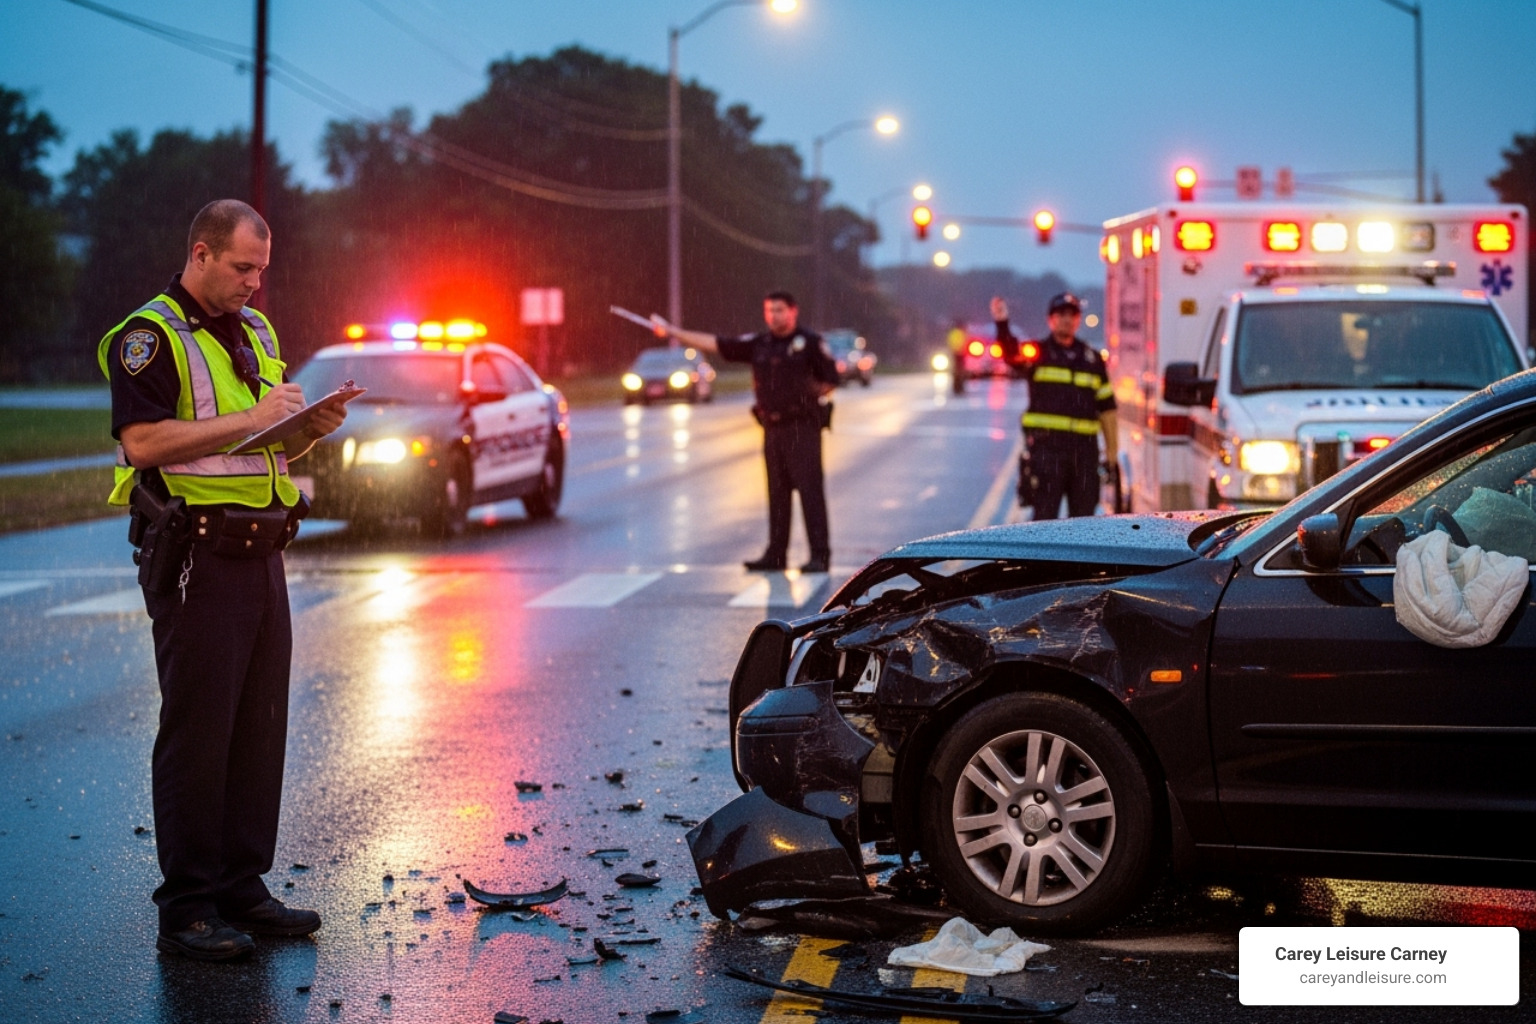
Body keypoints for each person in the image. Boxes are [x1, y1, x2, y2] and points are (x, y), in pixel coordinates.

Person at [99, 199, 345, 961]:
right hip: (196, 557)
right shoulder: (149, 337)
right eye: (242, 267)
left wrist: (305, 430)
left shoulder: (255, 330)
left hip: (261, 549)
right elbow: (143, 442)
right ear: (200, 254)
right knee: (199, 733)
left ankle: (242, 887)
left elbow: (264, 446)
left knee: (257, 727)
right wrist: (253, 419)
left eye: (261, 270)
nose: (253, 283)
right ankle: (187, 909)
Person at [655, 291, 839, 573]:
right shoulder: (760, 344)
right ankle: (776, 554)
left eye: (779, 310)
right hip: (772, 427)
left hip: (802, 427)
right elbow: (716, 344)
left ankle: (819, 554)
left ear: (793, 311)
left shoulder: (809, 343)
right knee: (777, 493)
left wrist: (804, 397)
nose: (773, 316)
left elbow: (831, 379)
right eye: (769, 310)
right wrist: (672, 331)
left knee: (810, 491)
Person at [992, 292, 1117, 519]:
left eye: (1072, 315)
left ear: (1078, 320)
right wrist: (1002, 323)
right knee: (1044, 520)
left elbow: (1108, 408)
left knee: (1084, 523)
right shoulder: (1036, 353)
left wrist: (1112, 455)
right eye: (1061, 315)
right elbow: (1010, 354)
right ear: (1050, 320)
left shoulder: (1093, 360)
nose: (1067, 320)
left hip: (1084, 454)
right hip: (1047, 452)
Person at [946, 320, 968, 394]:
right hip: (959, 355)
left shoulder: (953, 333)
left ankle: (957, 387)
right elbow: (963, 344)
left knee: (957, 372)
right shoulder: (960, 333)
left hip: (956, 354)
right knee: (959, 372)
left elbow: (950, 343)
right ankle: (959, 387)